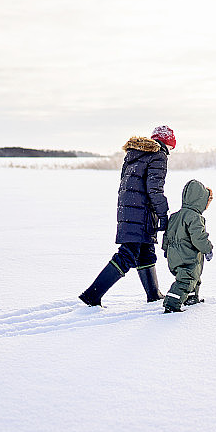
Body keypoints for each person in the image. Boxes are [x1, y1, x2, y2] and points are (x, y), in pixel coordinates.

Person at [79, 126, 176, 306]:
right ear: (168, 143)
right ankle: (92, 295)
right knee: (127, 254)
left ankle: (153, 294)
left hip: (129, 209)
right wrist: (163, 215)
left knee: (145, 251)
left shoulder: (135, 154)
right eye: (171, 147)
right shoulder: (159, 155)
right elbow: (154, 189)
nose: (170, 151)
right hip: (141, 212)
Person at [161, 179, 214, 313]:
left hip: (173, 255)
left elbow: (167, 234)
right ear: (200, 200)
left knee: (193, 278)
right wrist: (207, 249)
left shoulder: (175, 216)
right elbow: (199, 238)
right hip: (187, 255)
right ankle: (171, 303)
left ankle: (191, 298)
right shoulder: (195, 217)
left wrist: (165, 249)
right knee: (187, 280)